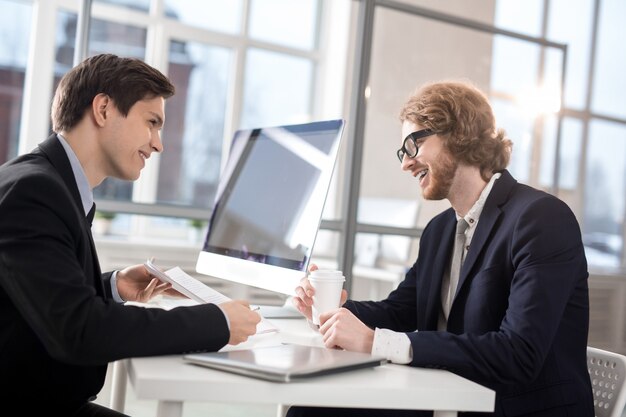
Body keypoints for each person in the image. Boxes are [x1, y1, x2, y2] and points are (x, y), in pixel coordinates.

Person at [290, 81, 594, 417]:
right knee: (312, 408)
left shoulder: (540, 218)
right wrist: (328, 313)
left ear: (457, 134)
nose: (406, 164)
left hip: (511, 408)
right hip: (447, 399)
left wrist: (374, 342)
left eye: (413, 145)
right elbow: (399, 310)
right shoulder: (439, 230)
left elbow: (517, 353)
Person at [0, 53, 261, 416]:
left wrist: (112, 286)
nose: (159, 144)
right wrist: (217, 321)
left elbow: (39, 298)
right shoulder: (35, 192)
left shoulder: (48, 183)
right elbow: (78, 331)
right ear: (103, 109)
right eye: (152, 122)